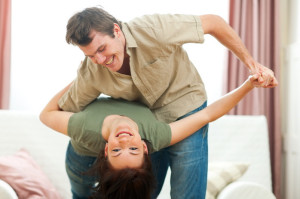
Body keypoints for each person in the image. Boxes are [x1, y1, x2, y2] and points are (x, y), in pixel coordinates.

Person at [58, 6, 278, 199]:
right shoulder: (92, 73)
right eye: (90, 56)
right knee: (142, 193)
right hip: (150, 126)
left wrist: (252, 65)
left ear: (117, 30)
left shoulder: (153, 30)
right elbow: (65, 109)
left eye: (101, 49)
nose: (100, 60)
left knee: (186, 193)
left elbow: (212, 22)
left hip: (186, 108)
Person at [40, 75, 272, 199]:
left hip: (85, 144)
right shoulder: (156, 135)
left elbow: (46, 114)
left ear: (105, 148)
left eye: (117, 150)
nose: (124, 142)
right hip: (81, 158)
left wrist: (82, 78)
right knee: (81, 195)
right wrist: (248, 85)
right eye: (133, 150)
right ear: (145, 147)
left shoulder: (83, 128)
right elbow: (207, 114)